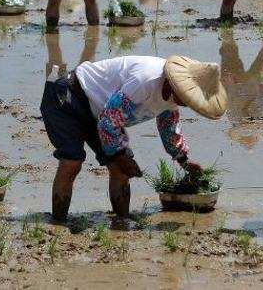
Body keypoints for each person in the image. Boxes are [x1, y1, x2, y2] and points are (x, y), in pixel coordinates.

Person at [40, 53, 226, 221]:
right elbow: (108, 120)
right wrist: (119, 155)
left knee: (120, 170)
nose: (187, 103)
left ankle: (123, 222)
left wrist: (184, 161)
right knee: (72, 161)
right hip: (68, 96)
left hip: (99, 109)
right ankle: (58, 224)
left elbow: (169, 128)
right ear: (176, 84)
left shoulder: (173, 98)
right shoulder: (146, 80)